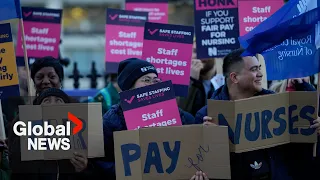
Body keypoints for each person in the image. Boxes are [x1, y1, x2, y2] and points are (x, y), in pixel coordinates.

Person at [195, 48, 320, 179]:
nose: (260, 74)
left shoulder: (276, 105)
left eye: (259, 68)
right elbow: (203, 166)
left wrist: (315, 128)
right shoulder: (207, 116)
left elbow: (299, 155)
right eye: (254, 69)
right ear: (234, 77)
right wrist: (215, 141)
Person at [99, 58, 198, 179]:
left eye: (156, 80)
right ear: (129, 87)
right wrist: (127, 171)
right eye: (146, 80)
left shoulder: (182, 117)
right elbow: (101, 163)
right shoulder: (111, 121)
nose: (153, 84)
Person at [8, 88, 91, 180]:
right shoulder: (24, 139)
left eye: (58, 100)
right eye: (46, 101)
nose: (52, 104)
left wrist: (82, 169)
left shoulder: (79, 142)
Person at [178, 39, 217, 116]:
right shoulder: (178, 83)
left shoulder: (218, 83)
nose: (201, 56)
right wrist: (192, 81)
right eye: (196, 51)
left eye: (205, 51)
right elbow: (182, 114)